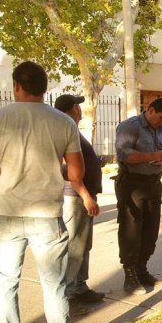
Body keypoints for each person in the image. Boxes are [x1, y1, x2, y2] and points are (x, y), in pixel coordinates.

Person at [0, 61, 89, 323]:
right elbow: (76, 174)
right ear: (45, 88)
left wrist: (5, 168)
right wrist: (52, 168)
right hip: (47, 216)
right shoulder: (63, 122)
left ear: (16, 86)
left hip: (7, 214)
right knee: (53, 284)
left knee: (5, 282)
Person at [114, 98, 162, 295]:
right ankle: (130, 275)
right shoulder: (130, 127)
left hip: (153, 184)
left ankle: (142, 269)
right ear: (151, 110)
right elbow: (123, 155)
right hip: (132, 183)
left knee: (150, 229)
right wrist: (152, 156)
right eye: (160, 118)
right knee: (131, 229)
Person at [54, 95, 105, 307]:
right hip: (76, 197)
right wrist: (85, 196)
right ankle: (68, 292)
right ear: (73, 108)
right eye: (78, 105)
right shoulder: (65, 129)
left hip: (82, 195)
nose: (80, 108)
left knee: (83, 245)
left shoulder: (71, 129)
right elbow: (69, 169)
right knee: (75, 246)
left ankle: (79, 287)